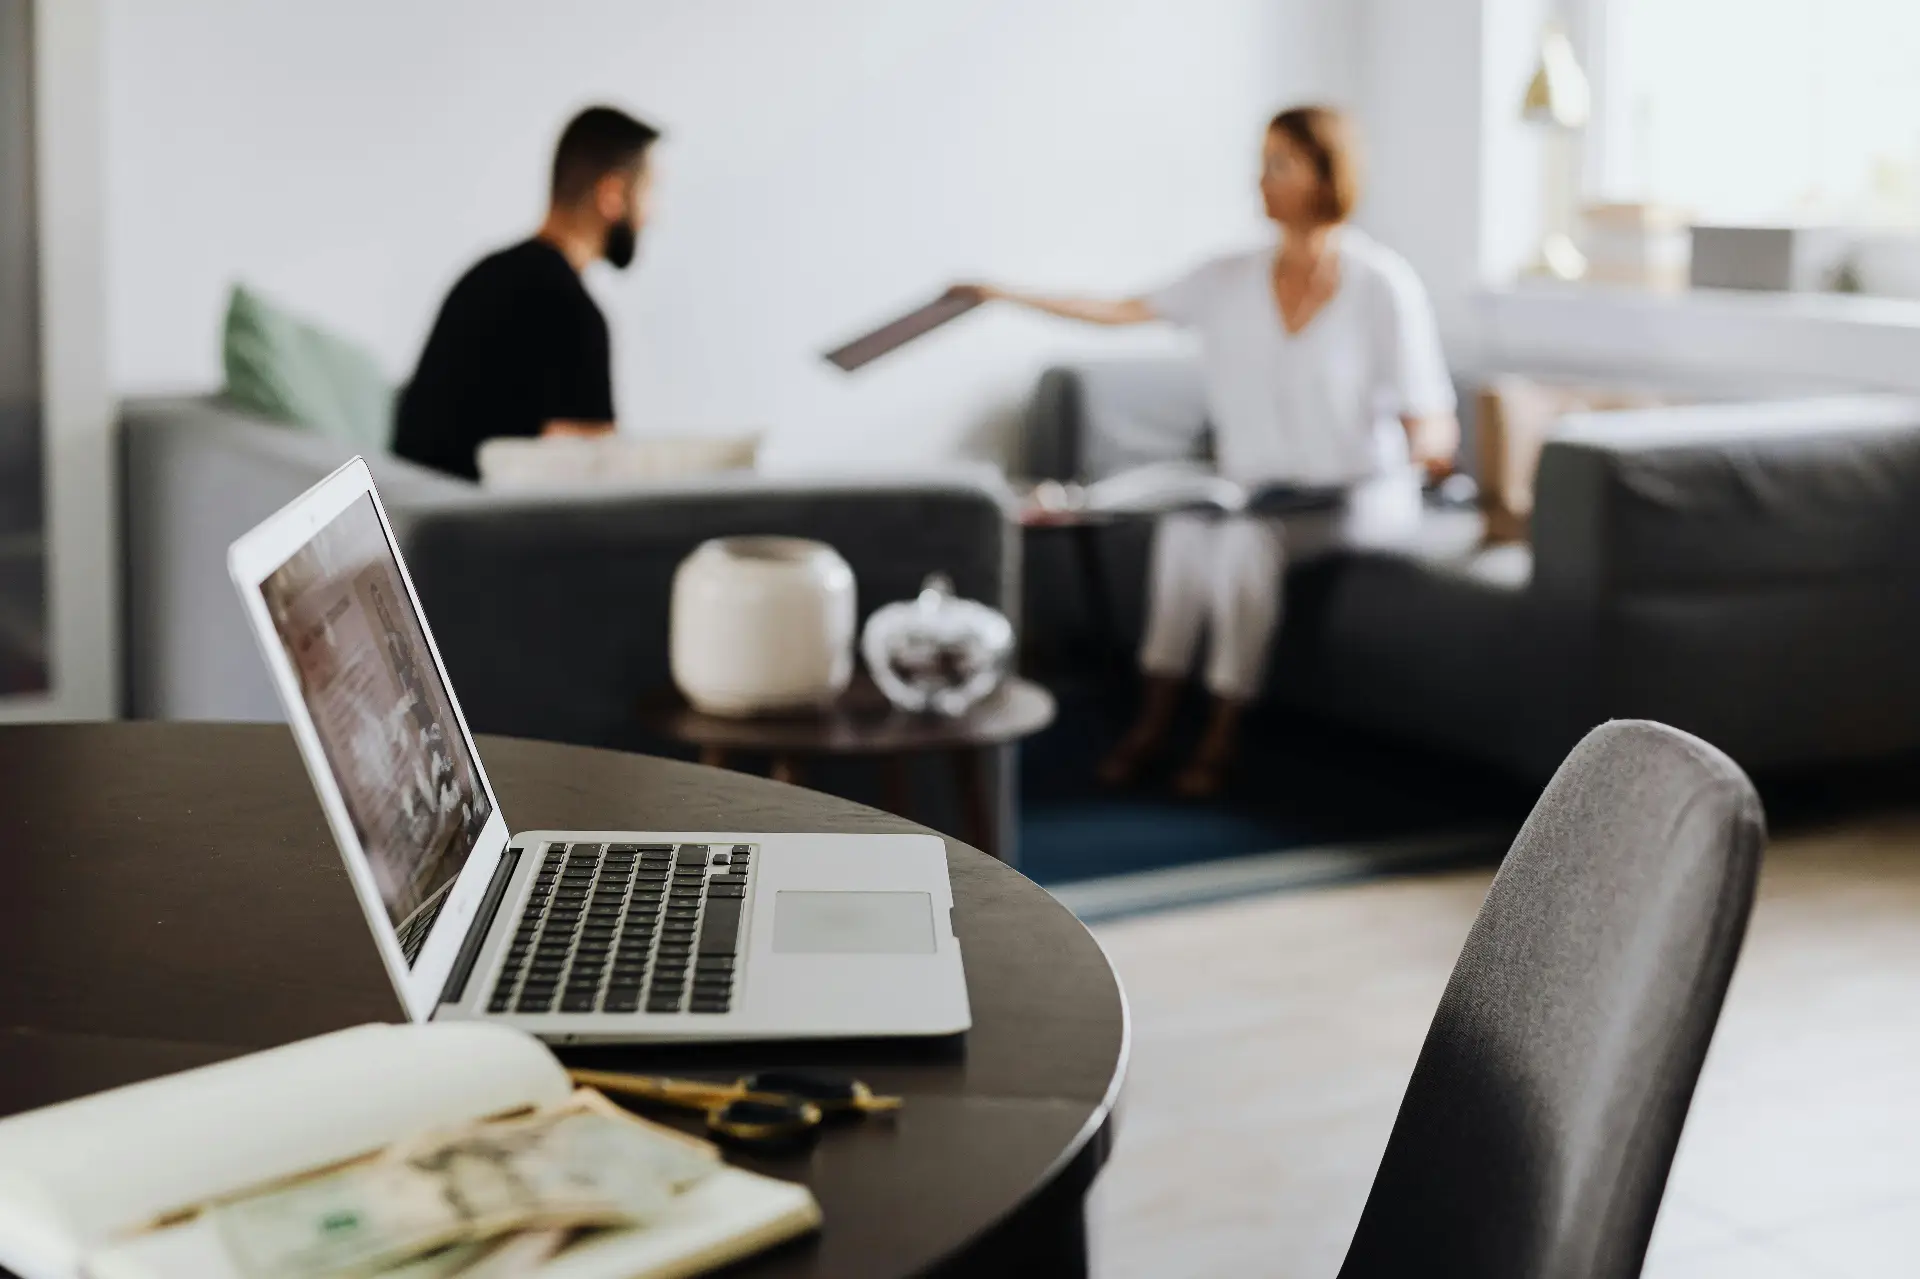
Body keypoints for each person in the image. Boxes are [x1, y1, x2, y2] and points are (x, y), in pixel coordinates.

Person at [956, 105, 1458, 797]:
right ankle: (1155, 721)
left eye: (1280, 164)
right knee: (1188, 532)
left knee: (1246, 546)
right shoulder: (1229, 278)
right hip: (1254, 492)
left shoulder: (1383, 286)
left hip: (1357, 498)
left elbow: (1431, 415)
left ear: (1324, 173)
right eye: (1263, 162)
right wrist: (1001, 294)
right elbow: (1117, 310)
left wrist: (1428, 450)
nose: (1261, 179)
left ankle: (1221, 735)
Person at [393, 105, 660, 480]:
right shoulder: (574, 314)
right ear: (612, 194)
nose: (654, 216)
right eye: (650, 192)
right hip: (472, 528)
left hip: (415, 505)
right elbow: (601, 491)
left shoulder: (483, 274)